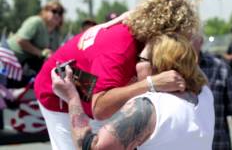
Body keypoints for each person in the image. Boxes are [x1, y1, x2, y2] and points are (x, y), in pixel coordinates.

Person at [34, 0, 199, 150]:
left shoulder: (143, 33)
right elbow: (100, 108)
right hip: (59, 92)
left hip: (92, 89)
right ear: (163, 32)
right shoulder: (119, 47)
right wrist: (151, 84)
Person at [51, 34, 214, 150]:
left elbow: (92, 147)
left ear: (156, 65)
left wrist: (72, 98)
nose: (134, 66)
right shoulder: (205, 94)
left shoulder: (148, 106)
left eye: (140, 60)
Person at [192, 33, 232, 150]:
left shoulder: (219, 68)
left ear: (201, 41)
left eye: (191, 37)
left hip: (218, 144)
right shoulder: (169, 71)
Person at [6, 0, 64, 73]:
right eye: (54, 11)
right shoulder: (36, 22)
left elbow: (55, 53)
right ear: (45, 11)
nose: (57, 15)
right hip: (8, 59)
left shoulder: (57, 33)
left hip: (25, 66)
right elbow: (21, 40)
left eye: (60, 13)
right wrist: (41, 53)